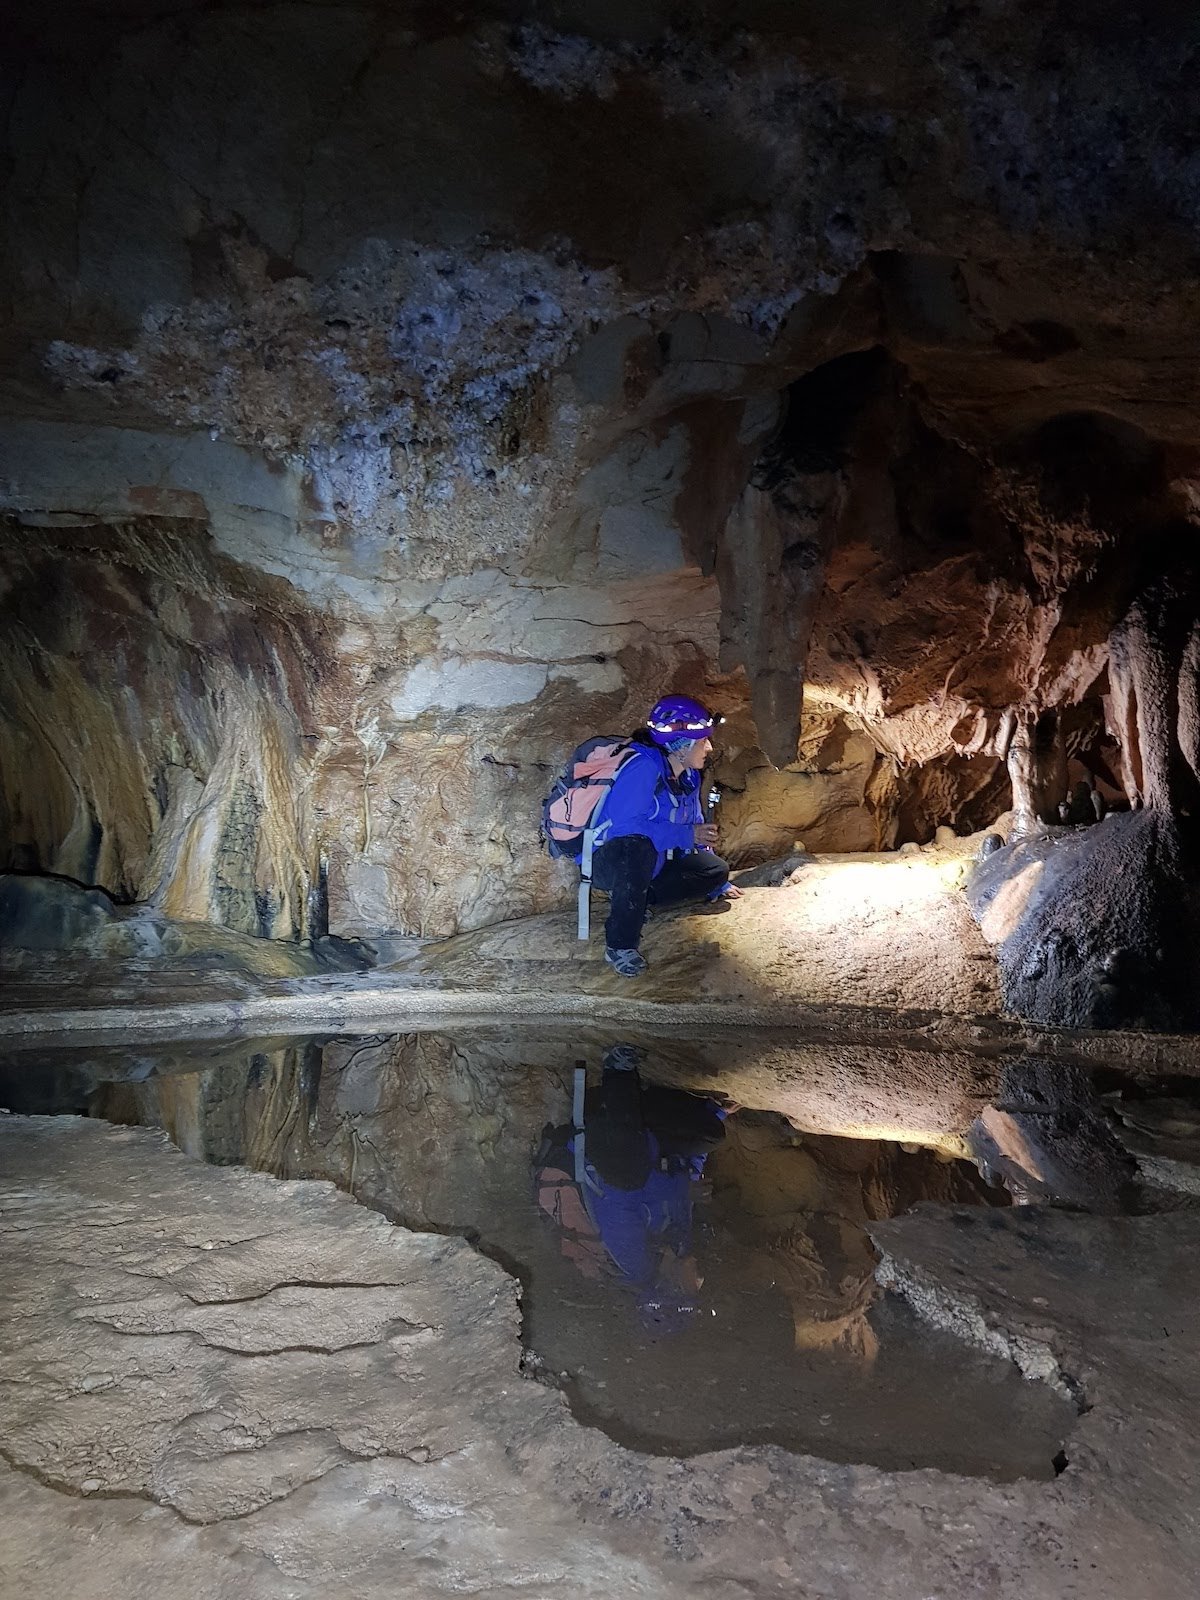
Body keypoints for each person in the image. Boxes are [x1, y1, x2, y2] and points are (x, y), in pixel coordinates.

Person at [590, 694, 743, 977]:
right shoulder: (643, 768)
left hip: (653, 861)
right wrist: (687, 835)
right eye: (702, 741)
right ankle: (620, 945)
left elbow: (696, 825)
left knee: (715, 871)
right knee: (636, 847)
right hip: (612, 860)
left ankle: (641, 899)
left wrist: (715, 879)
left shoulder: (687, 776)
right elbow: (625, 829)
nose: (709, 747)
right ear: (680, 745)